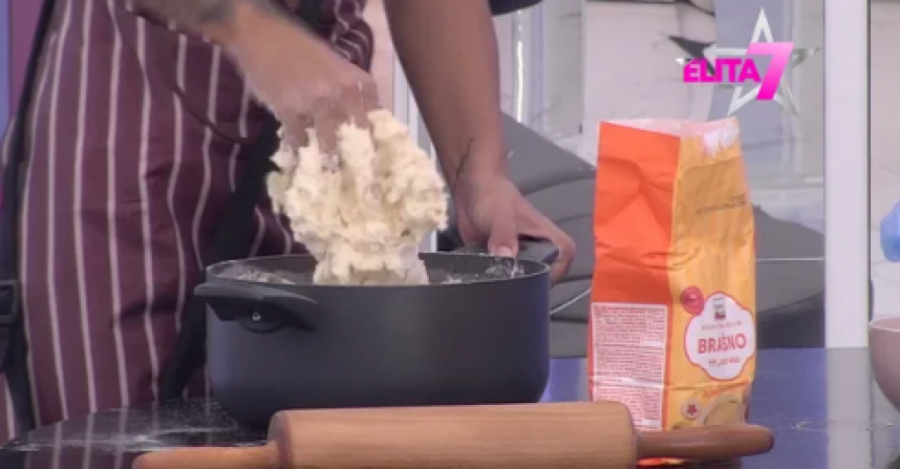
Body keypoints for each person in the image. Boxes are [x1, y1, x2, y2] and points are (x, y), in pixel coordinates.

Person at [0, 0, 575, 442]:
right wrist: (254, 30)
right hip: (136, 120)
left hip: (317, 121)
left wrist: (480, 174)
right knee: (123, 439)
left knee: (298, 433)